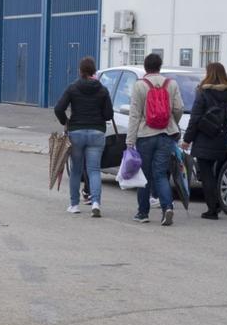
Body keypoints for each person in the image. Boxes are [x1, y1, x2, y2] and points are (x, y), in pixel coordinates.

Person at [126, 53, 184, 226]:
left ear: (145, 67)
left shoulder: (140, 85)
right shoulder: (171, 84)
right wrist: (173, 123)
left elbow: (135, 114)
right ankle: (167, 207)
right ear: (160, 66)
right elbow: (179, 108)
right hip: (166, 134)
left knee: (144, 175)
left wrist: (130, 140)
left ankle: (143, 213)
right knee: (160, 174)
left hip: (145, 135)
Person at [54, 57, 113, 218]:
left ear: (80, 71)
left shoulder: (72, 88)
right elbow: (109, 114)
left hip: (77, 133)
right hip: (97, 133)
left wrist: (66, 122)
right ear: (94, 71)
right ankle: (95, 203)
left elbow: (59, 108)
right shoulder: (102, 90)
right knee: (94, 170)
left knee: (76, 170)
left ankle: (74, 205)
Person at [182, 63, 227, 219]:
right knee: (213, 172)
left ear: (209, 73)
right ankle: (215, 204)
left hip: (204, 137)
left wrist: (187, 139)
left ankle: (212, 208)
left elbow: (195, 118)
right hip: (220, 137)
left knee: (206, 173)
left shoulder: (203, 92)